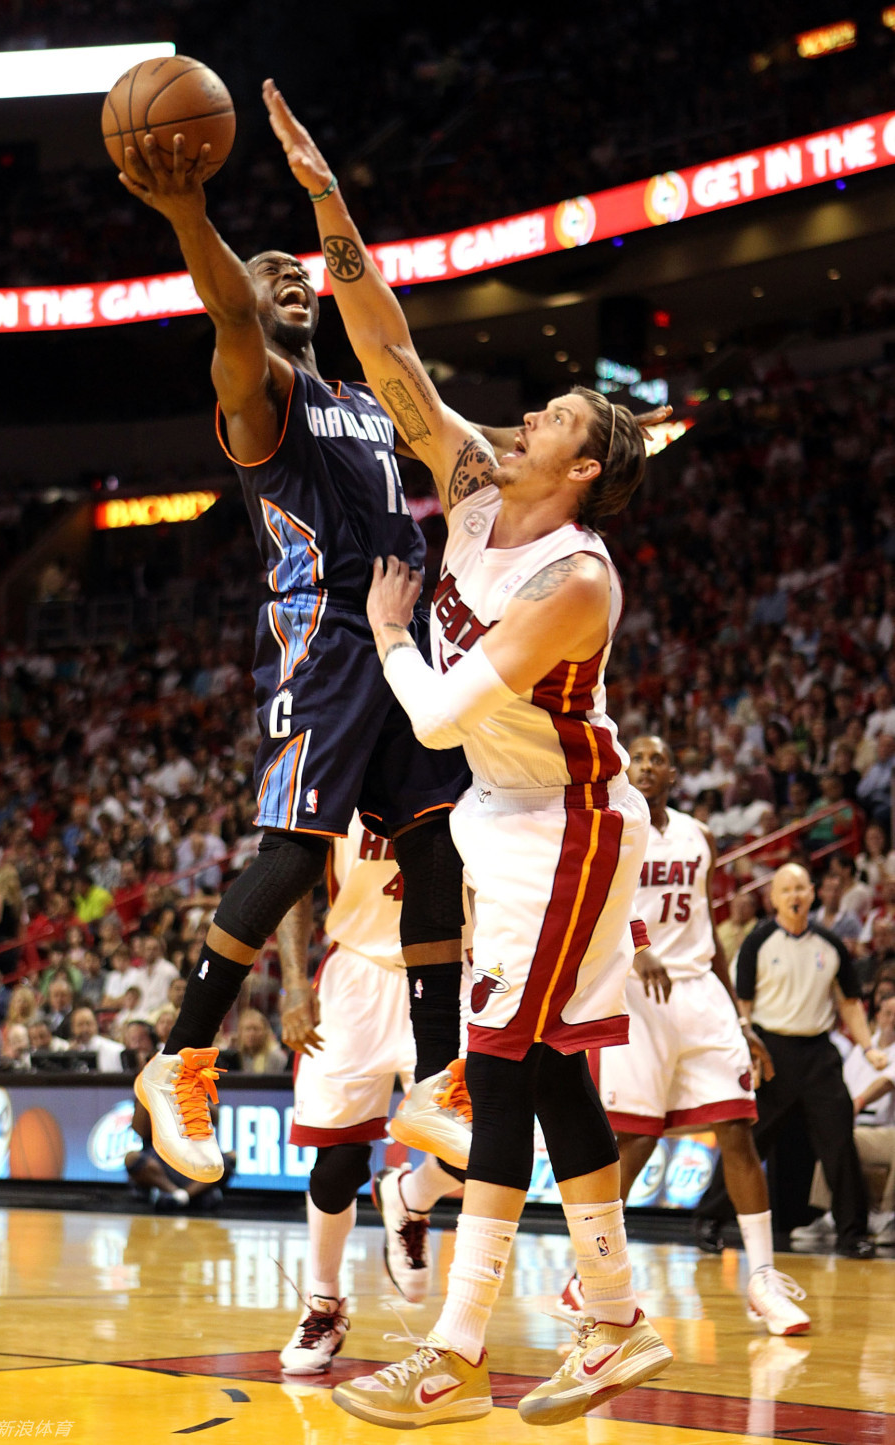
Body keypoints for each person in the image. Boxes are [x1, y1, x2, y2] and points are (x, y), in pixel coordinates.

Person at [261, 81, 671, 1428]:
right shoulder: (484, 490)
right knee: (542, 1069)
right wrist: (328, 202)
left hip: (566, 829)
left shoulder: (576, 575)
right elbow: (385, 349)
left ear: (585, 469)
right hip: (500, 818)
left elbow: (432, 718)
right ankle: (612, 1320)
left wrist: (385, 632)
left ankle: (451, 1347)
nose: (519, 419)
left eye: (550, 418)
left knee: (497, 1071)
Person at [118, 95, 474, 1190]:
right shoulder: (256, 394)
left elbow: (410, 359)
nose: (288, 280)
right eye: (265, 271)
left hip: (399, 636)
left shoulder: (361, 399)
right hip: (322, 637)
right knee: (293, 849)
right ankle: (179, 1054)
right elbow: (227, 314)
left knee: (432, 849)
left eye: (294, 271)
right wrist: (192, 218)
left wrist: (328, 204)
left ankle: (439, 1077)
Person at [590, 736, 809, 1335]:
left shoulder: (697, 834)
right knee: (635, 1139)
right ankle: (592, 1272)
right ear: (626, 766)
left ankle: (763, 1281)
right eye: (641, 757)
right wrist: (638, 950)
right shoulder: (611, 822)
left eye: (662, 757)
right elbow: (600, 904)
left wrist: (741, 1018)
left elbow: (708, 921)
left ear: (675, 770)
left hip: (702, 993)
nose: (651, 766)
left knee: (738, 1127)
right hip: (639, 993)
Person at [278, 816, 460, 1374]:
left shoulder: (469, 759)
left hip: (447, 972)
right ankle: (324, 1303)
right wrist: (291, 983)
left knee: (480, 1149)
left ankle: (413, 1196)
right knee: (337, 1164)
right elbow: (290, 880)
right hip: (354, 976)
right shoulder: (343, 768)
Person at [694, 862, 889, 1260]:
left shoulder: (830, 944)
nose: (795, 896)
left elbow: (850, 1003)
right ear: (774, 898)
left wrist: (868, 1046)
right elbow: (742, 1004)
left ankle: (853, 1234)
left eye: (801, 888)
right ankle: (709, 1220)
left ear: (812, 894)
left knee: (839, 1143)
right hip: (770, 1052)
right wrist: (743, 1050)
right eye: (787, 890)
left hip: (818, 1053)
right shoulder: (758, 941)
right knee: (749, 1143)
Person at [805, 992, 895, 1244]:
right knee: (834, 1135)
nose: (892, 1020)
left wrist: (859, 1101)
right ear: (877, 1015)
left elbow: (887, 1082)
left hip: (887, 1130)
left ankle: (890, 1216)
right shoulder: (862, 1049)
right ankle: (830, 1216)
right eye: (888, 1014)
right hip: (859, 1127)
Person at [231, 1008, 288, 1074]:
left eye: (256, 1029)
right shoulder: (236, 1057)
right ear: (240, 1032)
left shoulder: (277, 1057)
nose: (251, 1034)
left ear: (265, 1032)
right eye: (247, 1029)